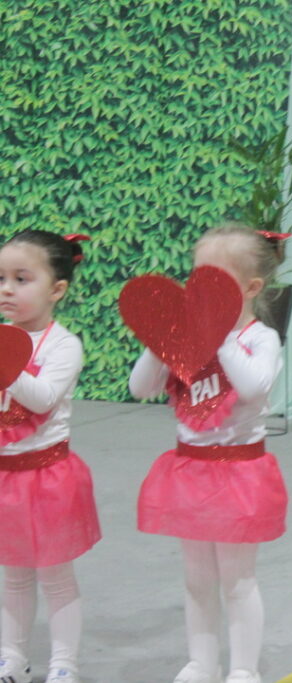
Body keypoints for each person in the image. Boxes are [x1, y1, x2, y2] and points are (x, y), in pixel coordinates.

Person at [128, 224, 288, 683]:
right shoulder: (184, 336)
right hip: (190, 473)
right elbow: (141, 387)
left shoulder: (259, 339)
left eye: (215, 280)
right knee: (197, 578)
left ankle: (243, 669)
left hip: (239, 473)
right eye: (196, 277)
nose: (199, 290)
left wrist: (218, 332)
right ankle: (202, 662)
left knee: (237, 580)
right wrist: (161, 340)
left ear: (251, 288)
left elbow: (254, 387)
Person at [0, 231, 101, 683]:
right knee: (14, 576)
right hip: (5, 477)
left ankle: (64, 664)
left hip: (46, 477)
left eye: (21, 279)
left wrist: (5, 362)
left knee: (55, 577)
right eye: (0, 278)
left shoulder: (63, 345)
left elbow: (41, 398)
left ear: (56, 289)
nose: (7, 289)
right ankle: (11, 657)